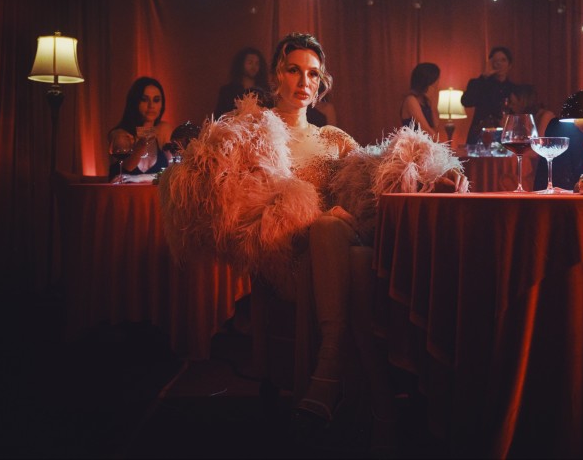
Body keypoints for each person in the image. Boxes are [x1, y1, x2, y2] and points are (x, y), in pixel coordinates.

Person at [159, 32, 468, 455]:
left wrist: (433, 176)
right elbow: (230, 203)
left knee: (339, 236)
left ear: (321, 82)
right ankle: (382, 409)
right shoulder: (251, 135)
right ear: (276, 76)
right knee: (350, 259)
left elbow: (377, 185)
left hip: (343, 238)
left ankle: (329, 372)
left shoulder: (334, 138)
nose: (304, 81)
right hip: (290, 254)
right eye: (294, 70)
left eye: (313, 74)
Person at [107, 76, 173, 183]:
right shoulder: (120, 134)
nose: (151, 105)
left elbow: (174, 171)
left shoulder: (163, 129)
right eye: (144, 100)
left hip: (154, 193)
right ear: (134, 102)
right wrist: (142, 144)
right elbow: (128, 166)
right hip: (122, 193)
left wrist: (140, 178)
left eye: (156, 100)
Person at [461, 46, 517, 144]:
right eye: (495, 61)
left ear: (509, 65)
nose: (499, 64)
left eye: (503, 60)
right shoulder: (479, 83)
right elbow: (466, 101)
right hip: (481, 135)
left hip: (506, 135)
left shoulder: (514, 89)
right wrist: (484, 76)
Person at [214, 46, 272, 118]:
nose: (254, 67)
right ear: (241, 64)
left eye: (257, 63)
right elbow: (219, 116)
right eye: (250, 63)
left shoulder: (265, 92)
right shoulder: (228, 91)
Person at [400, 62, 440, 139]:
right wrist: (441, 145)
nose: (437, 85)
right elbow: (426, 130)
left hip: (425, 143)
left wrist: (433, 102)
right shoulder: (411, 100)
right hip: (413, 143)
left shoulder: (426, 100)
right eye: (436, 81)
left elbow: (436, 125)